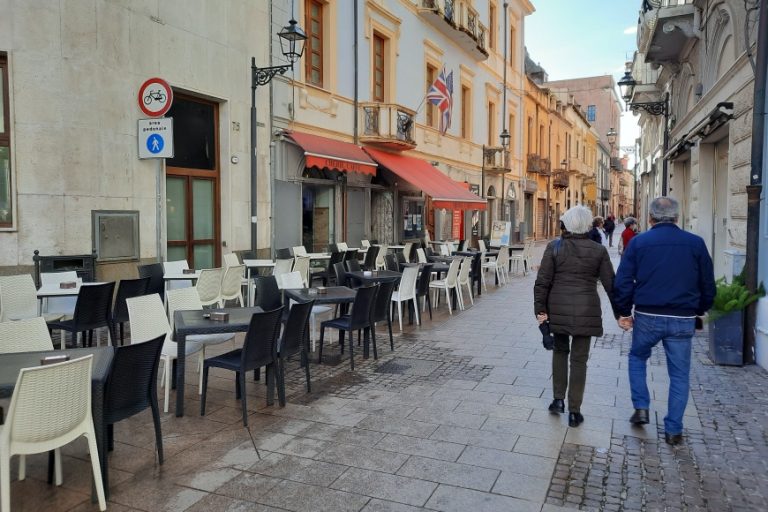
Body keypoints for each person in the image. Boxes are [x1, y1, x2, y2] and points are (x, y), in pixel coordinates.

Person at [613, 197, 715, 446]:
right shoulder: (696, 244)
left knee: (637, 358)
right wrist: (699, 309)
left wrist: (624, 312)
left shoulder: (638, 243)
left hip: (648, 315)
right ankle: (673, 430)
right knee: (679, 374)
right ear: (677, 218)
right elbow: (707, 285)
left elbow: (623, 281)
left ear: (650, 218)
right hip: (682, 318)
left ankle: (641, 408)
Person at [534, 206, 616, 428]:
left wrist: (541, 315)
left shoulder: (554, 247)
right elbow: (611, 286)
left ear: (567, 224)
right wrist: (621, 314)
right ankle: (574, 411)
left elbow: (542, 284)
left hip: (558, 310)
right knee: (579, 361)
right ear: (588, 225)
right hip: (586, 311)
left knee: (560, 352)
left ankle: (558, 399)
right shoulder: (598, 251)